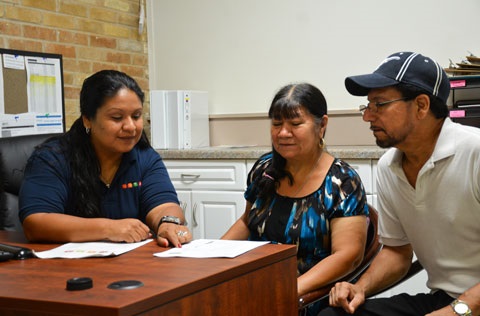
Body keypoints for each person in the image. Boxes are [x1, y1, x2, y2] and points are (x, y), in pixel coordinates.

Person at [320, 52, 480, 316]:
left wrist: (458, 310)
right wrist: (360, 287)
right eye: (367, 106)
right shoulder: (388, 168)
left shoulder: (474, 152)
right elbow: (397, 252)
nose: (367, 117)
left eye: (379, 104)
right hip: (444, 300)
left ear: (421, 105)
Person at [221, 83, 369, 315]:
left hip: (307, 296)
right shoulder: (265, 167)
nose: (283, 133)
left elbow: (348, 255)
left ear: (322, 126)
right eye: (277, 124)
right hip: (253, 283)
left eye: (295, 124)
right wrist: (211, 259)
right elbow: (246, 221)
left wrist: (290, 289)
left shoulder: (342, 181)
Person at [19, 70, 191, 248]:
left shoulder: (144, 157)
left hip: (133, 265)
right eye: (117, 117)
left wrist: (168, 223)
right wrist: (109, 228)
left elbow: (163, 205)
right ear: (87, 120)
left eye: (136, 116)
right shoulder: (53, 158)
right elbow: (36, 222)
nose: (131, 126)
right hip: (65, 267)